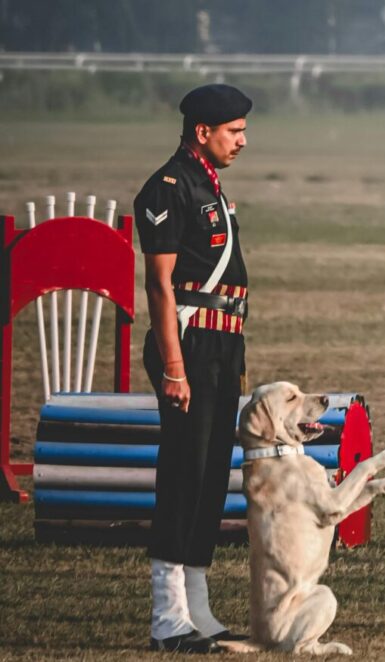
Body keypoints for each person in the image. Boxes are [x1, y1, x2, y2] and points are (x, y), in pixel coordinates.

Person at [134, 83, 252, 653]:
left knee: (209, 478)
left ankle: (197, 606)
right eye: (234, 131)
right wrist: (174, 366)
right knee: (184, 473)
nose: (242, 141)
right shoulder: (169, 187)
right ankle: (166, 614)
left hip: (221, 343)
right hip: (188, 343)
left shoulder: (210, 185)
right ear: (201, 132)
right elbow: (159, 283)